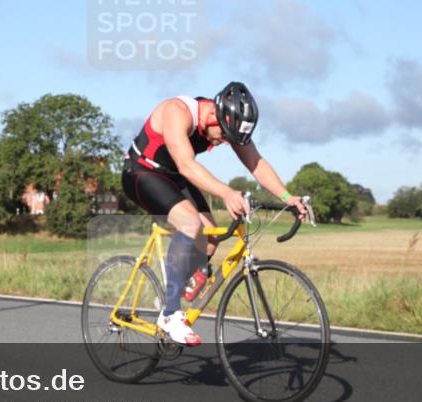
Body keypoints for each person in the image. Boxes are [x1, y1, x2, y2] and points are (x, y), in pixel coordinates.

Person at [121, 81, 307, 346]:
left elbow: (256, 163)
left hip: (172, 177)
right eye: (223, 136)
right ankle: (170, 314)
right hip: (141, 172)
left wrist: (288, 197)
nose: (222, 143)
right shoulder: (178, 111)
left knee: (209, 238)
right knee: (189, 223)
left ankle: (172, 290)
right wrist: (227, 193)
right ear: (214, 115)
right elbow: (186, 165)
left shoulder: (226, 124)